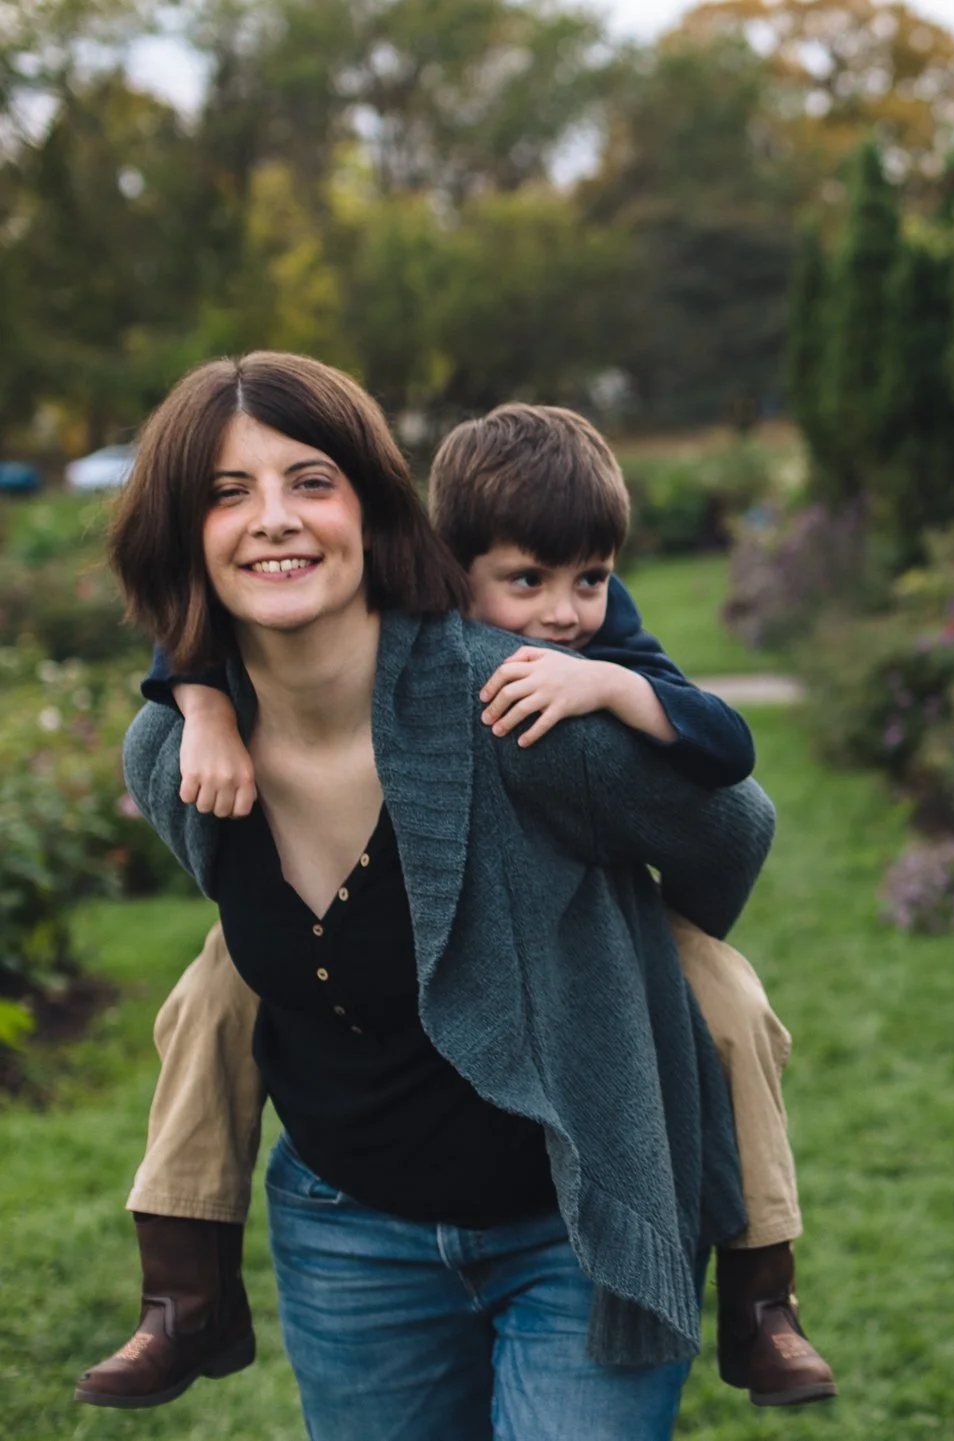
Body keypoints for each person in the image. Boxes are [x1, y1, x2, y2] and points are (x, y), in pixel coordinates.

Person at [75, 401, 836, 1412]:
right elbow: (189, 646)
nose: (562, 613)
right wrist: (203, 704)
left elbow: (730, 814)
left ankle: (762, 1289)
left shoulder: (534, 692)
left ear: (375, 519)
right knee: (213, 993)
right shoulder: (177, 750)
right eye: (228, 492)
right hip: (347, 1219)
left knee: (725, 995)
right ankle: (182, 1286)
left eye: (309, 482)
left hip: (570, 1201)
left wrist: (618, 930)